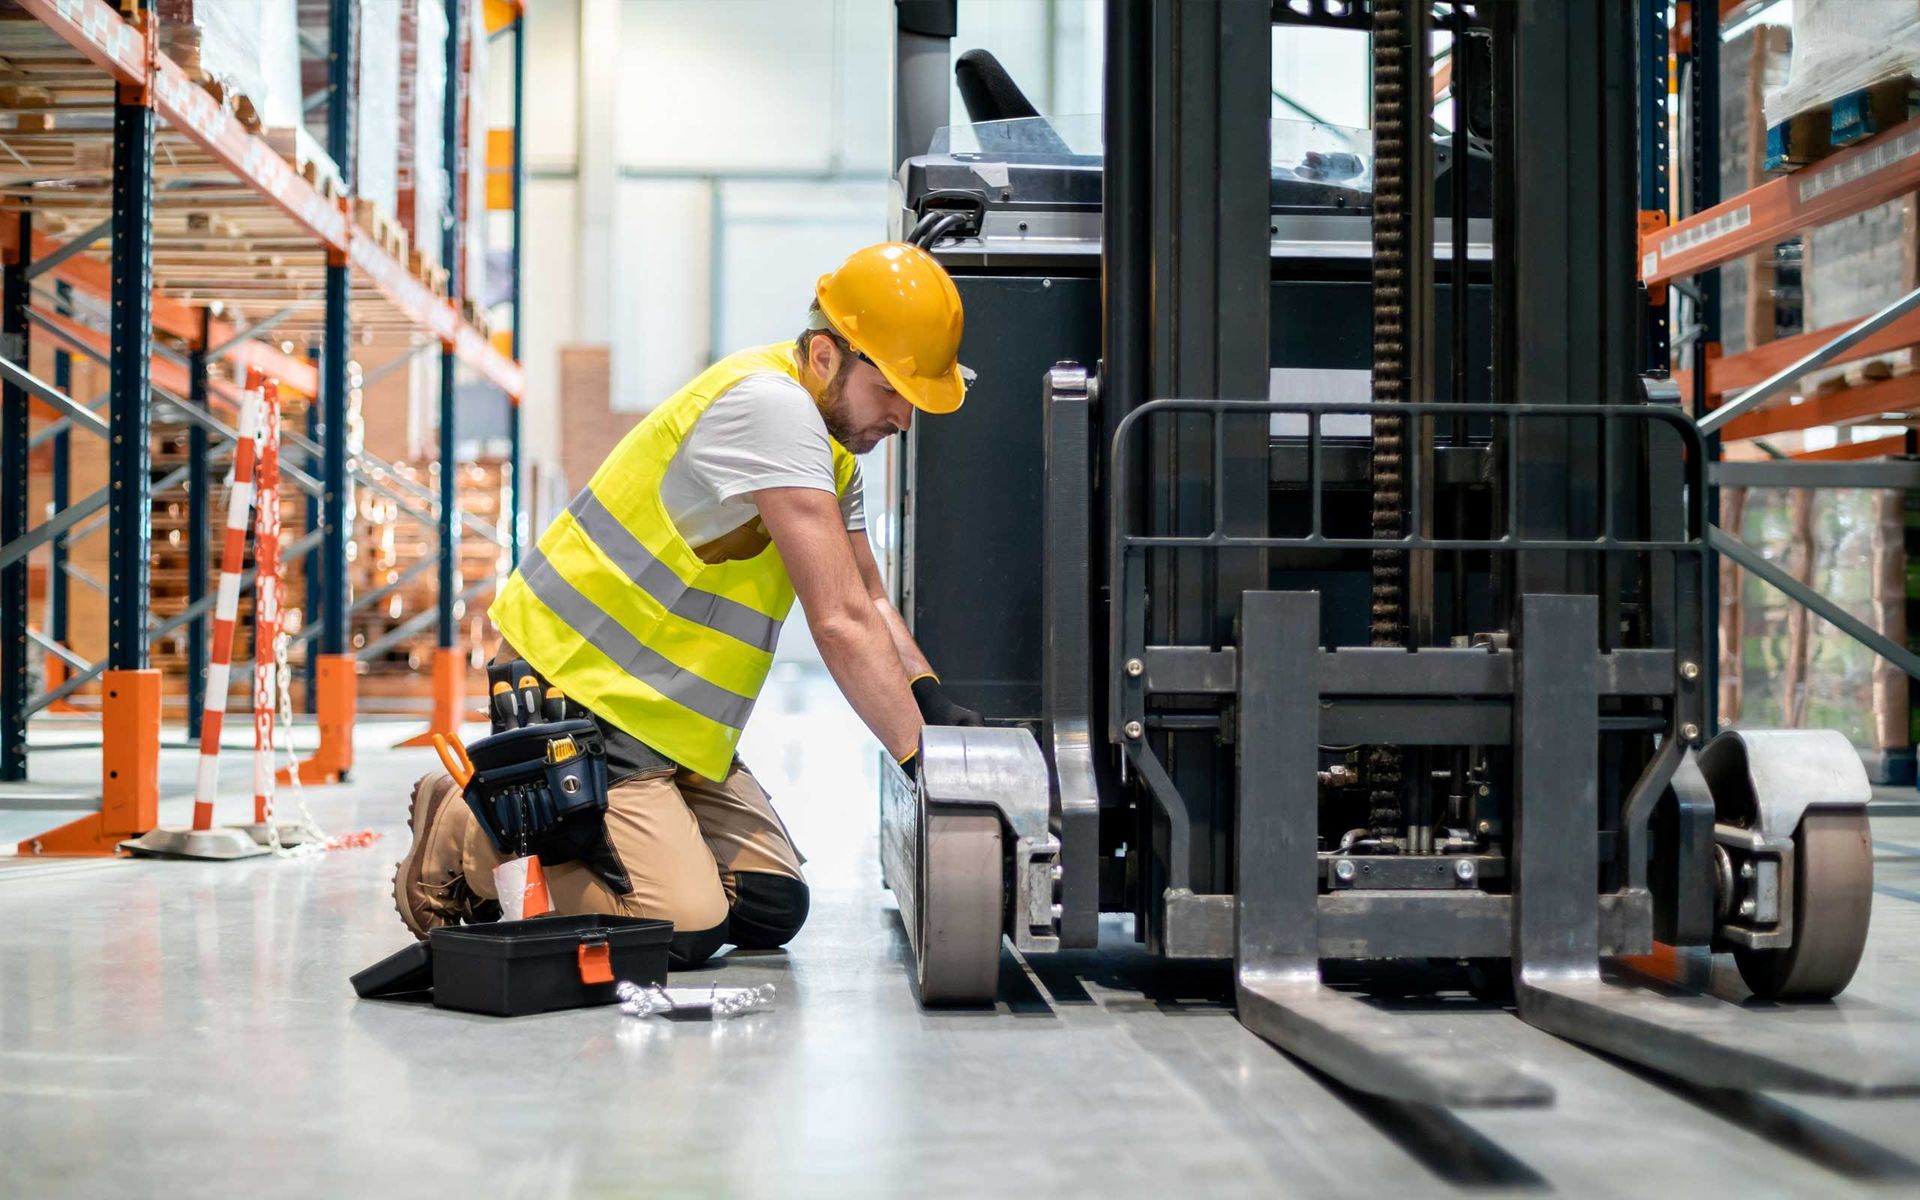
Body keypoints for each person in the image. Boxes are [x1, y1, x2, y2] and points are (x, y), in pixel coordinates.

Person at [392, 242, 984, 966]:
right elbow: (838, 621)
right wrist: (920, 759)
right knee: (683, 924)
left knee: (769, 903)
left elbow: (869, 597)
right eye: (892, 389)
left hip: (671, 726)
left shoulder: (830, 451)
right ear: (827, 355)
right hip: (582, 690)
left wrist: (929, 701)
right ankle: (462, 830)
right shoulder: (773, 410)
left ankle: (614, 835)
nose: (904, 416)